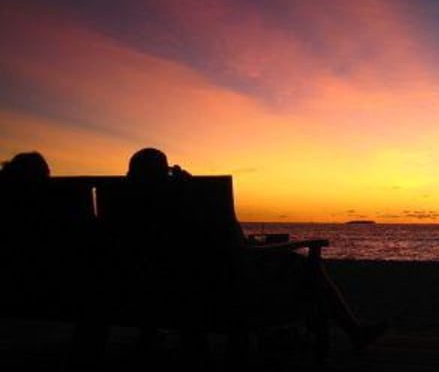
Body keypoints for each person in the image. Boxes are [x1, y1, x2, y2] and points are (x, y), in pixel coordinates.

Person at [123, 147, 387, 352]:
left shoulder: (126, 211)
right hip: (220, 290)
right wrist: (194, 190)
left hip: (152, 290)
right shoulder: (189, 201)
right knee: (309, 267)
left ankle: (310, 334)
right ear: (166, 174)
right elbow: (229, 237)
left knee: (297, 270)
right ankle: (351, 332)